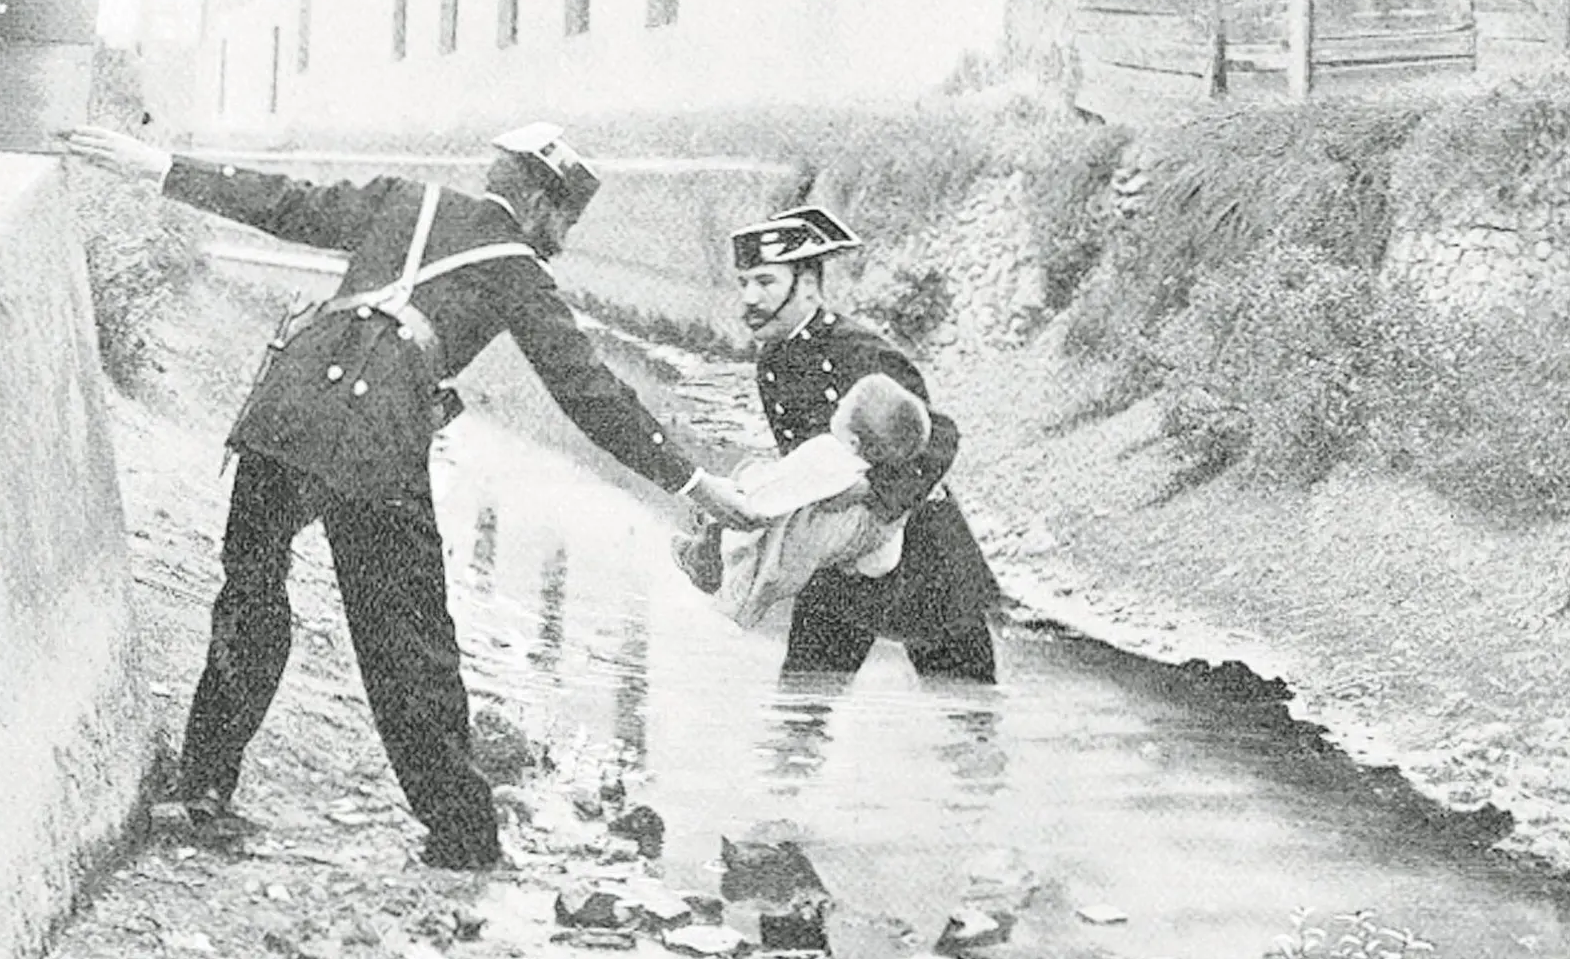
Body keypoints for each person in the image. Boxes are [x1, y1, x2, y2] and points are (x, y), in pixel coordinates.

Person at [62, 121, 758, 870]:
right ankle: (463, 836)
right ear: (538, 205)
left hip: (286, 407)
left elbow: (286, 204)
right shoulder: (519, 270)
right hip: (375, 440)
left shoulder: (407, 201)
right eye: (565, 220)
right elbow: (588, 391)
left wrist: (160, 165)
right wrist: (694, 481)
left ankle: (202, 790)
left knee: (251, 592)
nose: (563, 237)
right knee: (408, 639)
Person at [724, 205, 1001, 684]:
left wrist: (867, 491)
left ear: (808, 284)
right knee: (801, 703)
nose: (749, 297)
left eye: (765, 282)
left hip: (923, 559)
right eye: (744, 281)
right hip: (836, 558)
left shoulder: (862, 353)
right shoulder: (774, 357)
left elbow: (939, 438)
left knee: (967, 711)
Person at [675, 373, 934, 630]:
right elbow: (880, 563)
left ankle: (703, 565)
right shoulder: (885, 495)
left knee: (740, 558)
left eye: (844, 406)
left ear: (854, 439)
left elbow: (768, 496)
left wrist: (728, 493)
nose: (838, 403)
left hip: (777, 543)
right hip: (807, 563)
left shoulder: (828, 453)